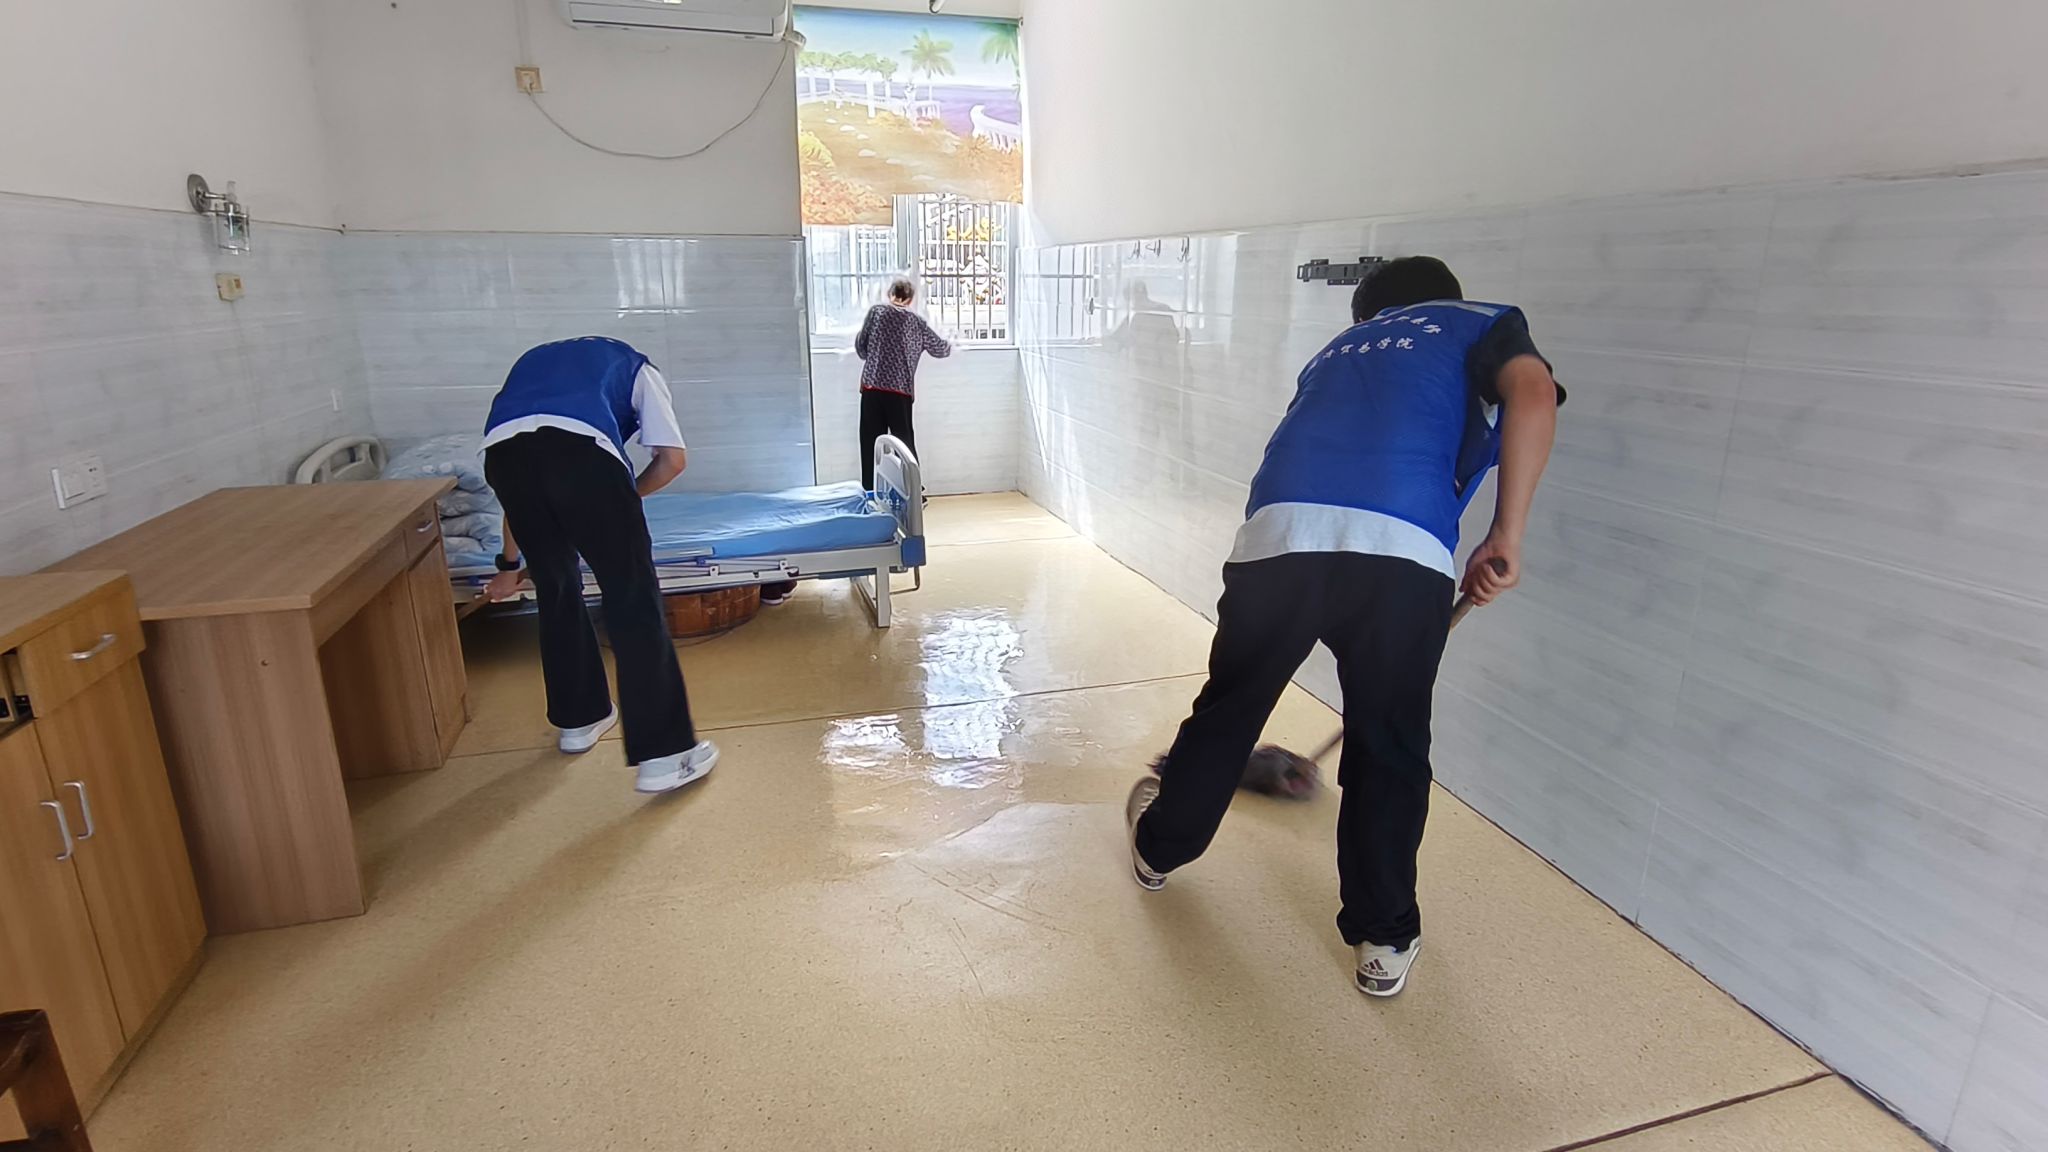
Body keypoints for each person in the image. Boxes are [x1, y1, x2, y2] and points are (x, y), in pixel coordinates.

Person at [1124, 257, 1564, 998]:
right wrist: (1506, 536)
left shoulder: (1336, 352)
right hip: (1400, 549)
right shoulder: (1481, 323)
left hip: (1279, 537)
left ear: (1367, 316)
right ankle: (1383, 938)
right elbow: (1535, 392)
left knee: (1230, 708)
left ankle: (1159, 849)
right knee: (1387, 741)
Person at [480, 336, 720, 796]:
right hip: (584, 460)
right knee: (632, 598)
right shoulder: (637, 368)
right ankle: (666, 756)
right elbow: (672, 461)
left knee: (555, 589)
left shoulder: (531, 366)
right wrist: (620, 498)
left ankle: (579, 721)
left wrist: (509, 567)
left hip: (503, 458)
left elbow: (520, 496)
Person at [854, 276, 951, 489]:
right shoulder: (917, 323)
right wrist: (952, 337)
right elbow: (941, 349)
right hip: (900, 393)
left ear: (890, 294)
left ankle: (870, 492)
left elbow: (861, 348)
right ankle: (913, 491)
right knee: (905, 444)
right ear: (910, 299)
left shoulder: (876, 313)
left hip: (872, 388)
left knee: (870, 444)